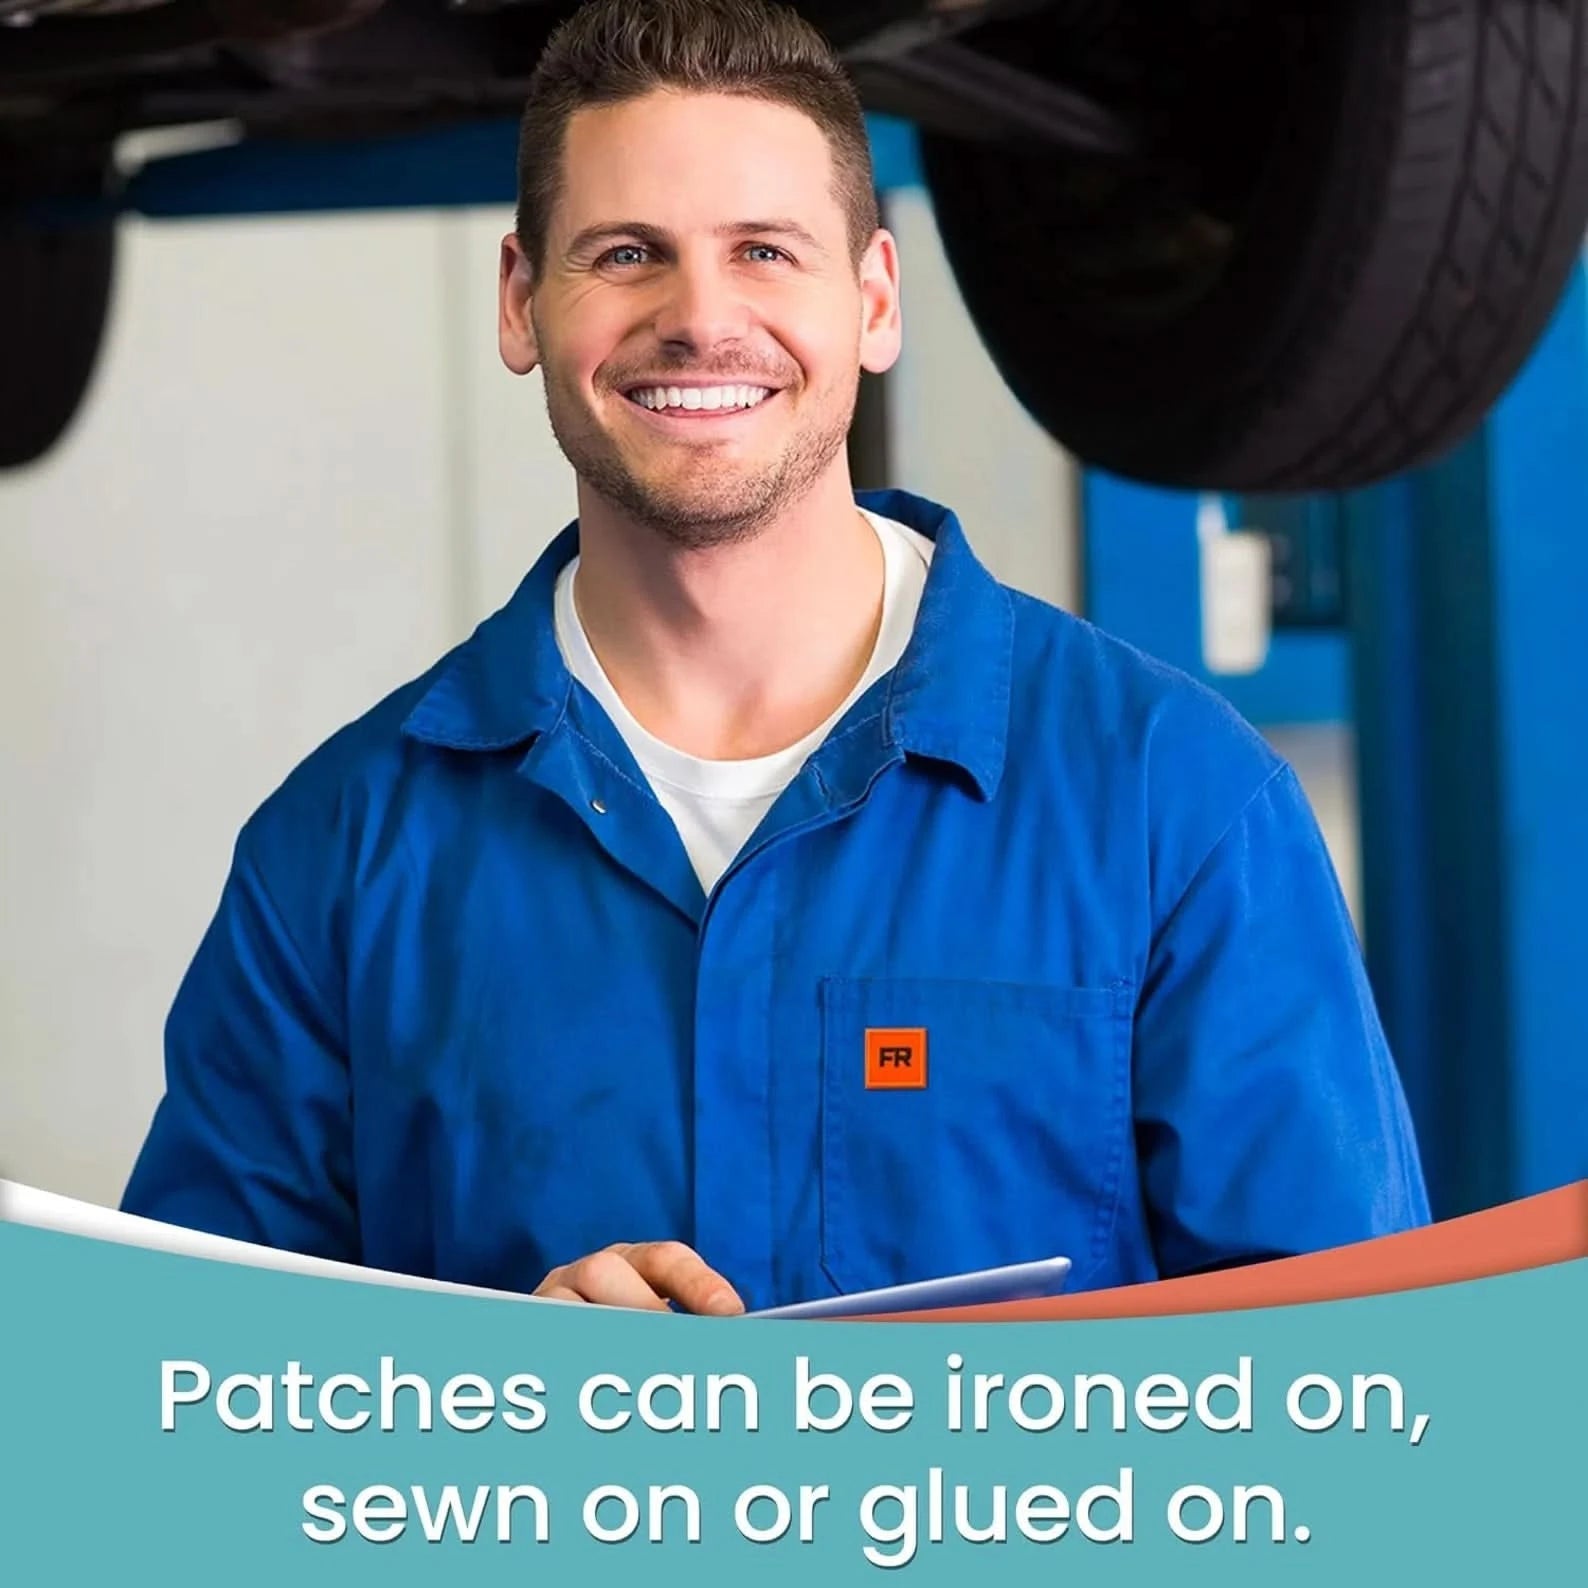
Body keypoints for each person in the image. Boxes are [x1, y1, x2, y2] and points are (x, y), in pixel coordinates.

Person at [120, 0, 1430, 1315]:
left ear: (872, 301)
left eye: (764, 252)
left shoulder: (1172, 804)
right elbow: (186, 1408)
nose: (700, 318)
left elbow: (1354, 1399)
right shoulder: (342, 850)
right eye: (629, 253)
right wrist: (496, 1395)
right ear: (523, 304)